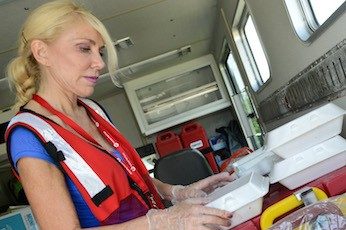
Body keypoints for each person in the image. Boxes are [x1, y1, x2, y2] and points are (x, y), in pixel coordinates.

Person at [5, 1, 234, 229]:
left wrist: (178, 193)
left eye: (100, 51)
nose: (100, 63)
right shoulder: (29, 135)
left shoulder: (94, 111)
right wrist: (162, 221)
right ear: (42, 52)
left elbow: (130, 182)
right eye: (85, 48)